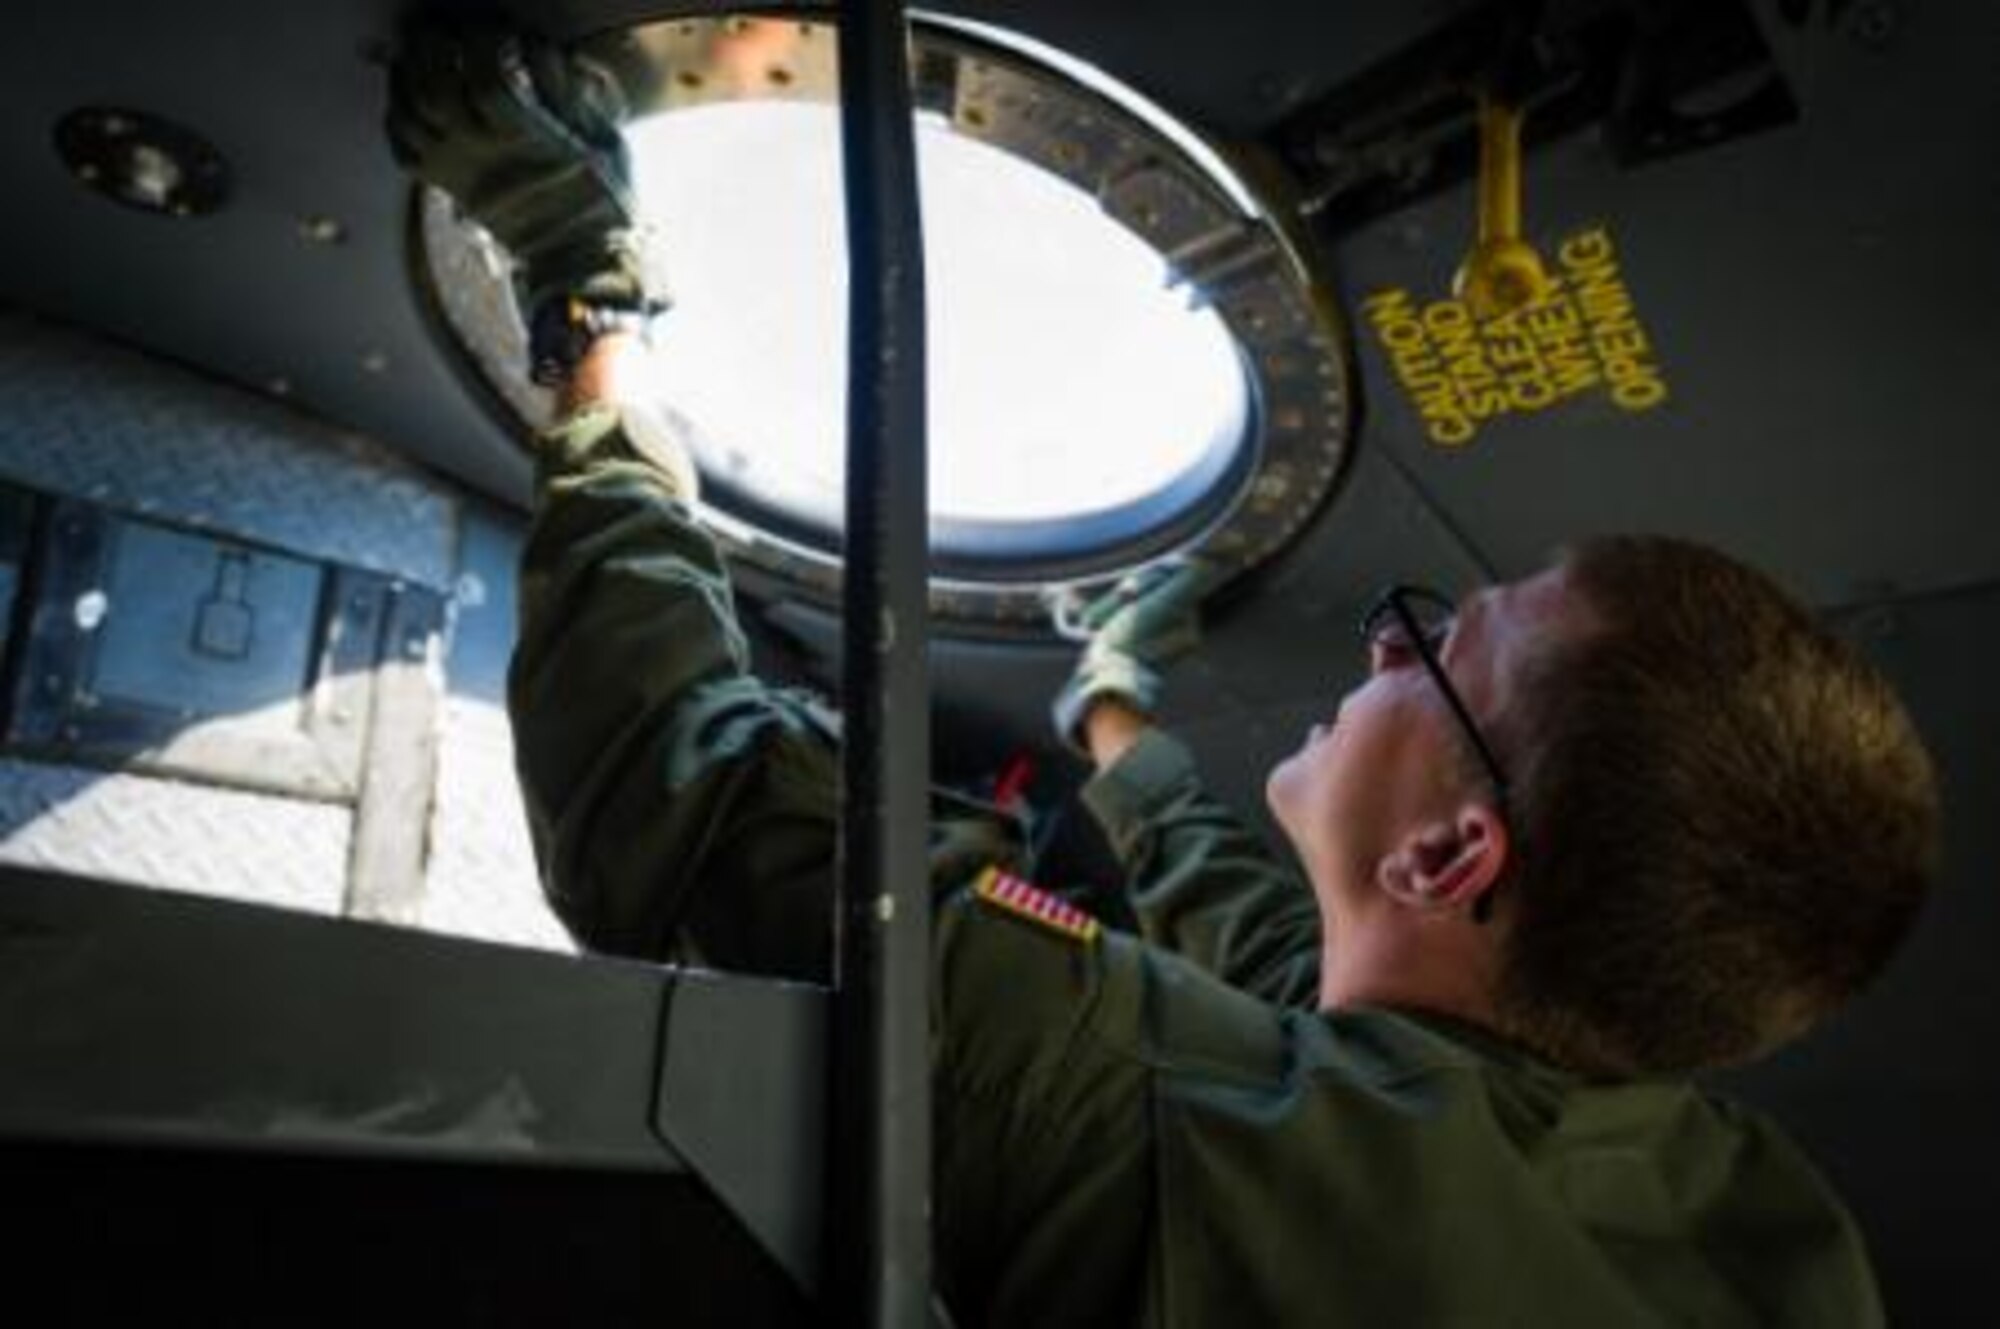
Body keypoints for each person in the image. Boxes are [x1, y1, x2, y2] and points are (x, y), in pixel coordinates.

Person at [388, 21, 1940, 1325]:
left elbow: (674, 787)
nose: (1386, 639)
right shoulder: (1749, 1223)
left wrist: (590, 295)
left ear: (1456, 850)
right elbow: (1303, 982)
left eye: (1439, 646)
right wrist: (1114, 707)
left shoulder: (1152, 1109)